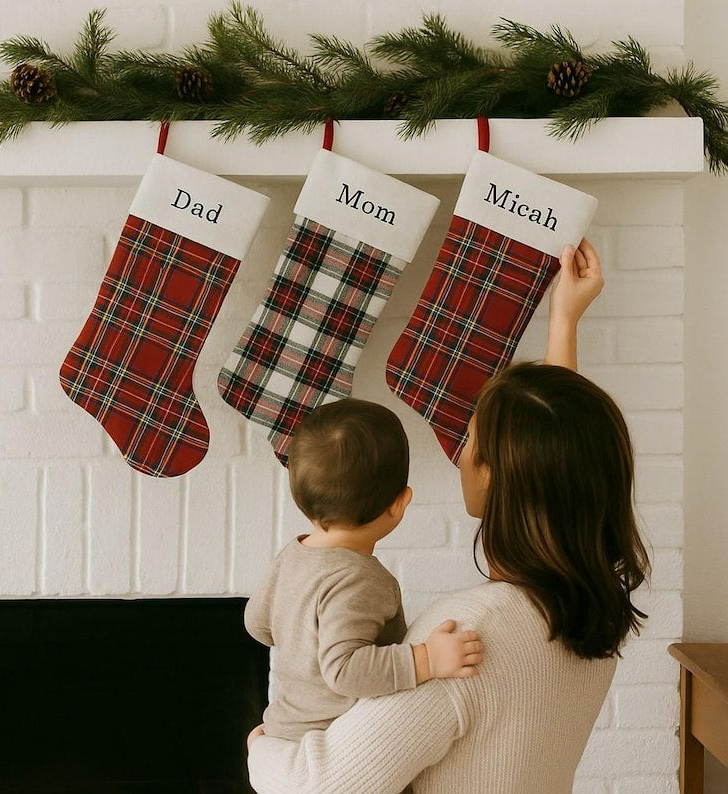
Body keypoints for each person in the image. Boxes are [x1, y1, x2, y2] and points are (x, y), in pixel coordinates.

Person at [247, 239, 651, 793]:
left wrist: (263, 748)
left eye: (471, 440)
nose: (459, 451)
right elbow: (566, 457)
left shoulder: (464, 642)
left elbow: (317, 787)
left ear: (494, 474)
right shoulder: (592, 606)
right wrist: (564, 320)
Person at [244, 396, 484, 742]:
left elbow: (256, 622)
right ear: (399, 504)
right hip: (334, 746)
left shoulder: (291, 556)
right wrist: (427, 659)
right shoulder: (361, 579)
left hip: (286, 731)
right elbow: (344, 671)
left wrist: (300, 639)